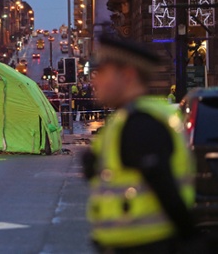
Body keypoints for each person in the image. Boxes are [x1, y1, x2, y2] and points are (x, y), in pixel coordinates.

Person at [82, 35, 197, 253]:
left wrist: (190, 237)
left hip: (148, 245)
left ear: (128, 75)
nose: (95, 81)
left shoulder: (140, 124)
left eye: (103, 72)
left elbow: (166, 189)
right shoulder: (125, 119)